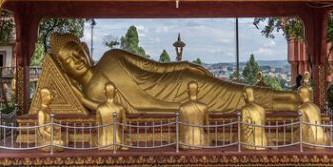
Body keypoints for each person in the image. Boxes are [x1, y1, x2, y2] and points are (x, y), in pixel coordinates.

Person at [51, 33, 304, 114]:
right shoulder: (91, 93)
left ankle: (292, 99)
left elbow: (154, 67)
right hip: (175, 105)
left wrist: (183, 66)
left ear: (84, 50)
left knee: (236, 91)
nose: (76, 61)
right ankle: (292, 104)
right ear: (65, 71)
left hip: (178, 82)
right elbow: (123, 112)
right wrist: (83, 100)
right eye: (69, 62)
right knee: (234, 104)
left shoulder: (111, 57)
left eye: (76, 53)